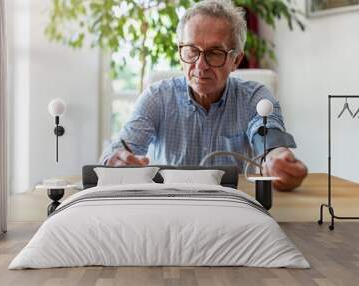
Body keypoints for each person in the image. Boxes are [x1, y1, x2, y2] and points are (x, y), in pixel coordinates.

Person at [100, 0, 307, 191]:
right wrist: (116, 160)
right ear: (180, 52)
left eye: (214, 53)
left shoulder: (255, 98)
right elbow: (117, 151)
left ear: (236, 60)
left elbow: (269, 138)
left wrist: (277, 159)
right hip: (169, 208)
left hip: (231, 209)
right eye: (191, 51)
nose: (200, 66)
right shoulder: (157, 98)